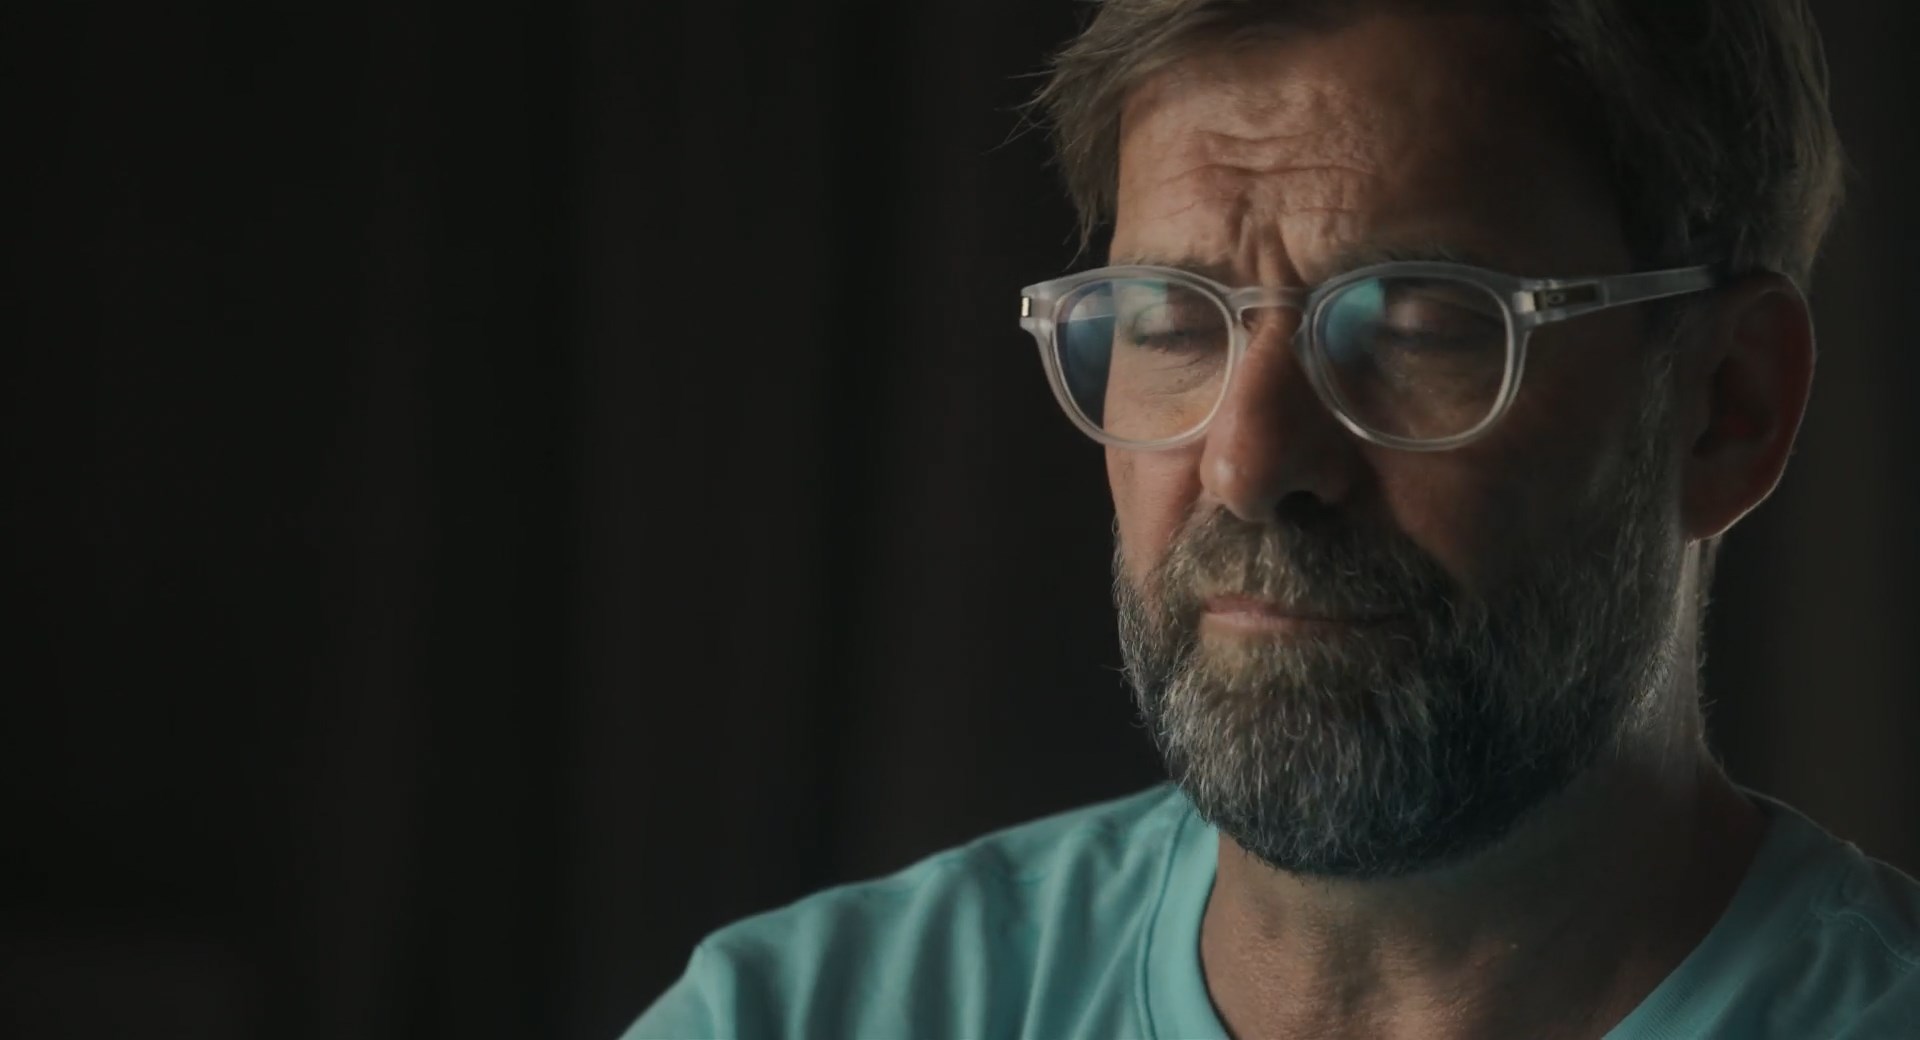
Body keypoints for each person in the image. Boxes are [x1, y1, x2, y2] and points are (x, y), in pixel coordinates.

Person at [630, 1, 1920, 1036]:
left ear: (1728, 408)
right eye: (1169, 323)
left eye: (1415, 326)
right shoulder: (800, 1016)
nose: (1247, 464)